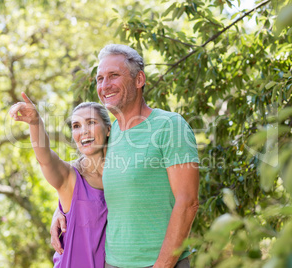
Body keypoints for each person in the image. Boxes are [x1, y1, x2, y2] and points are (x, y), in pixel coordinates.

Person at [51, 44, 200, 268]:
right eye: (100, 79)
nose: (105, 85)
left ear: (139, 79)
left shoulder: (169, 126)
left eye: (113, 76)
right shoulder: (112, 133)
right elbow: (85, 174)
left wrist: (162, 265)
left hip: (160, 263)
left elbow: (188, 202)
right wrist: (60, 209)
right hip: (112, 263)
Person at [9, 93, 111, 267]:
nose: (84, 131)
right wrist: (35, 123)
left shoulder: (124, 174)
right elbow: (45, 158)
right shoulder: (70, 177)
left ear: (108, 129)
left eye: (91, 122)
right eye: (76, 126)